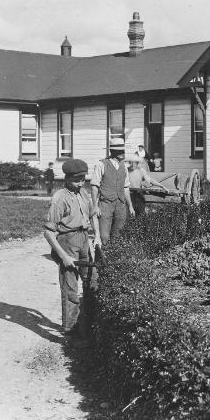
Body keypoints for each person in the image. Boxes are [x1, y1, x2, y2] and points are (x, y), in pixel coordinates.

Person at [43, 158, 100, 349]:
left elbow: (93, 216)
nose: (81, 183)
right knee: (70, 289)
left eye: (83, 179)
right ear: (67, 179)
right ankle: (71, 334)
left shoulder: (83, 193)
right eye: (77, 180)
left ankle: (88, 326)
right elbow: (48, 232)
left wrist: (97, 236)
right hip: (67, 242)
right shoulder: (59, 198)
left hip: (84, 240)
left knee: (92, 282)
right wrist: (64, 256)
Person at [91, 138, 135, 245]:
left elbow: (126, 188)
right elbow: (94, 187)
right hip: (105, 203)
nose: (122, 153)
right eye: (119, 151)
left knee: (118, 234)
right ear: (112, 152)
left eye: (123, 150)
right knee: (104, 236)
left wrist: (130, 206)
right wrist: (95, 206)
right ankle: (103, 254)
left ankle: (113, 257)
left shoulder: (123, 166)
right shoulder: (101, 164)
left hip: (120, 204)